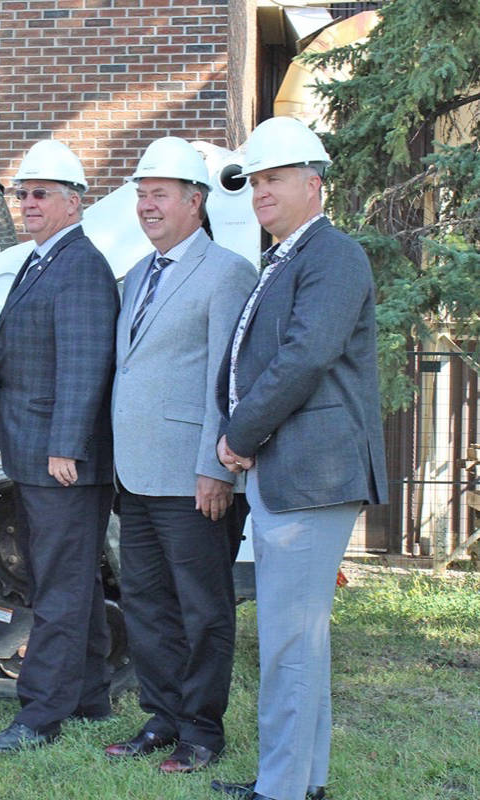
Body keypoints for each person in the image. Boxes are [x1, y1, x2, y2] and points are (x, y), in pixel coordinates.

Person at [210, 117, 388, 800]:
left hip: (310, 475)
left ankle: (281, 790)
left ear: (313, 184)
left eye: (273, 178)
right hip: (298, 475)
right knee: (297, 640)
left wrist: (239, 433)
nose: (260, 191)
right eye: (254, 181)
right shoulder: (288, 255)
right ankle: (298, 782)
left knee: (288, 640)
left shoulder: (332, 255)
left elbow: (305, 356)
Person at [102, 138, 256, 772]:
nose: (146, 205)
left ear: (196, 201)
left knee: (202, 607)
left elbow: (231, 378)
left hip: (194, 478)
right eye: (140, 194)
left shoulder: (227, 272)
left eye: (159, 194)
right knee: (146, 603)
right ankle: (162, 717)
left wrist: (214, 468)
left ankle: (201, 730)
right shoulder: (137, 274)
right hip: (135, 476)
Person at [0, 140, 119, 753]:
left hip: (58, 458)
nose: (28, 203)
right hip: (34, 451)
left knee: (58, 587)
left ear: (74, 201)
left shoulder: (80, 266)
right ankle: (90, 695)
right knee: (69, 581)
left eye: (41, 194)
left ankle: (38, 717)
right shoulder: (41, 260)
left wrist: (66, 445)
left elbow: (86, 364)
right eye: (23, 193)